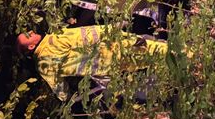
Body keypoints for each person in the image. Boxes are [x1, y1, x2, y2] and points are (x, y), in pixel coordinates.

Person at [16, 23, 166, 101]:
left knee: (154, 60)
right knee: (160, 51)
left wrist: (66, 98)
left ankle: (184, 61)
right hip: (115, 46)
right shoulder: (51, 44)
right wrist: (117, 31)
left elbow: (60, 89)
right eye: (27, 35)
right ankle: (187, 55)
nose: (30, 31)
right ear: (30, 46)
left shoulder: (44, 63)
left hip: (108, 65)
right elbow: (88, 34)